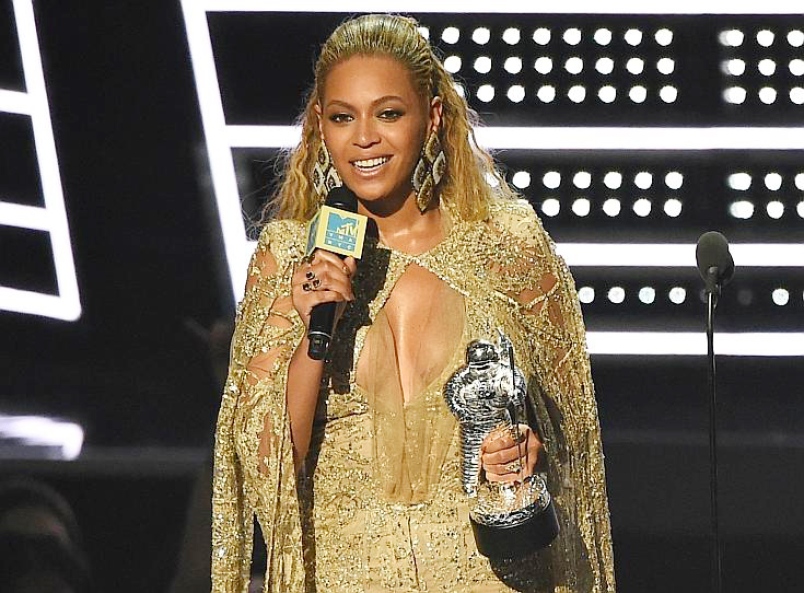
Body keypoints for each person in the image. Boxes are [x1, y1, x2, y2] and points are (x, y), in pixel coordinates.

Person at [212, 13, 615, 592]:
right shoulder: (288, 258)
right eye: (343, 117)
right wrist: (313, 334)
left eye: (388, 113)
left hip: (487, 573)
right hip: (344, 575)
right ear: (320, 127)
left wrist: (530, 453)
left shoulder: (507, 246)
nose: (364, 138)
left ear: (431, 119)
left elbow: (570, 434)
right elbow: (266, 465)